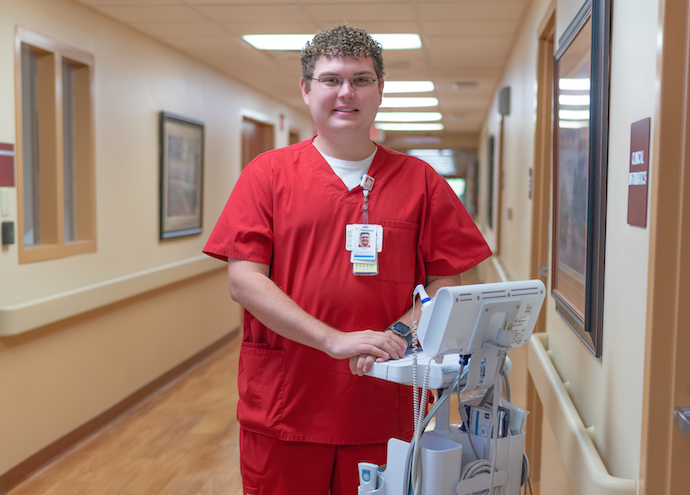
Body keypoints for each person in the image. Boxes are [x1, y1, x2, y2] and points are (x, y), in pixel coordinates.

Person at [203, 24, 491, 495]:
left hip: (387, 403)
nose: (346, 92)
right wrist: (332, 340)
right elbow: (244, 281)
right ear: (306, 89)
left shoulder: (420, 181)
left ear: (380, 90)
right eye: (331, 79)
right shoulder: (267, 175)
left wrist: (400, 331)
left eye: (361, 79)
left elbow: (447, 282)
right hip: (287, 404)